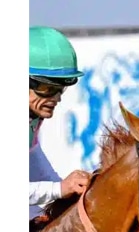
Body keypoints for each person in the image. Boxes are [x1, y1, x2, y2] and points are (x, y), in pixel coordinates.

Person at [29, 26, 89, 220]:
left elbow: (33, 157)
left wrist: (65, 192)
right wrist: (58, 189)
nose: (56, 98)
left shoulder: (31, 116)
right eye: (47, 88)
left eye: (60, 89)